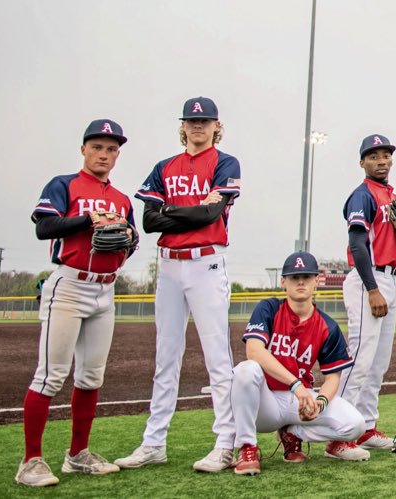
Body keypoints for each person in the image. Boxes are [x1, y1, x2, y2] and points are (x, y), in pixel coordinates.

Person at [118, 97, 243, 472]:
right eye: (192, 120)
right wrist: (187, 212)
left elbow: (212, 213)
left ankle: (225, 442)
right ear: (183, 125)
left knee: (217, 359)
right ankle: (154, 442)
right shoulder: (164, 167)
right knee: (165, 358)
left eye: (205, 121)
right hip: (169, 267)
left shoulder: (225, 162)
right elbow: (149, 222)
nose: (198, 126)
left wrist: (171, 210)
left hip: (206, 262)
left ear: (217, 125)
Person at [15, 119, 138, 487]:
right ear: (84, 149)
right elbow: (44, 228)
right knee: (51, 375)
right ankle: (31, 461)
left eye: (111, 149)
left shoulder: (121, 200)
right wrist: (87, 219)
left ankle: (77, 455)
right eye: (98, 147)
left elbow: (131, 244)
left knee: (91, 376)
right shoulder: (64, 185)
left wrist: (127, 238)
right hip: (69, 286)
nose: (104, 154)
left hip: (105, 289)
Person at [229, 252, 369, 476]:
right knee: (246, 370)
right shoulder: (269, 309)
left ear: (316, 281)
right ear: (283, 282)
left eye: (306, 276)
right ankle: (247, 447)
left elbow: (333, 377)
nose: (301, 281)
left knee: (355, 424)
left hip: (298, 403)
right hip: (264, 403)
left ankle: (293, 432)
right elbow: (253, 350)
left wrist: (320, 404)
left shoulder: (327, 326)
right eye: (294, 277)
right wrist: (295, 384)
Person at [337, 133, 396, 451]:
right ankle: (337, 431)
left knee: (379, 362)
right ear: (362, 162)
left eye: (386, 155)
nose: (381, 161)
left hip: (389, 278)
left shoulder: (389, 195)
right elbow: (357, 244)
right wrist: (372, 288)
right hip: (369, 279)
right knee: (360, 359)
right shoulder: (363, 195)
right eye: (374, 156)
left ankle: (365, 426)